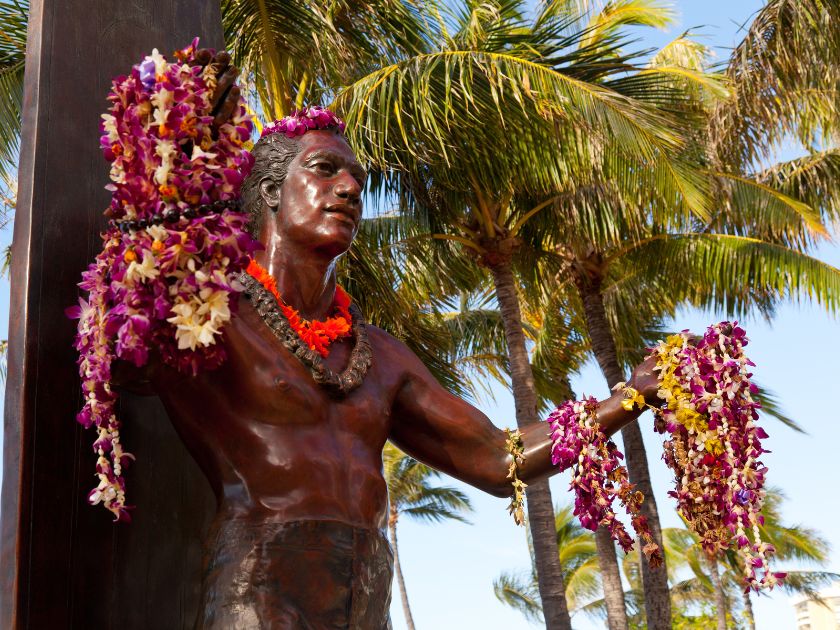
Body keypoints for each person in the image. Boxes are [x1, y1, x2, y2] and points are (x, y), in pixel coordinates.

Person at [121, 54, 662, 630]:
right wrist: (174, 144)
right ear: (271, 191)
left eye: (358, 179)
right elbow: (129, 346)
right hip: (258, 593)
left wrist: (633, 394)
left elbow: (497, 458)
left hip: (367, 596)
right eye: (325, 170)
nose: (351, 188)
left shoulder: (379, 356)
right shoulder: (211, 314)